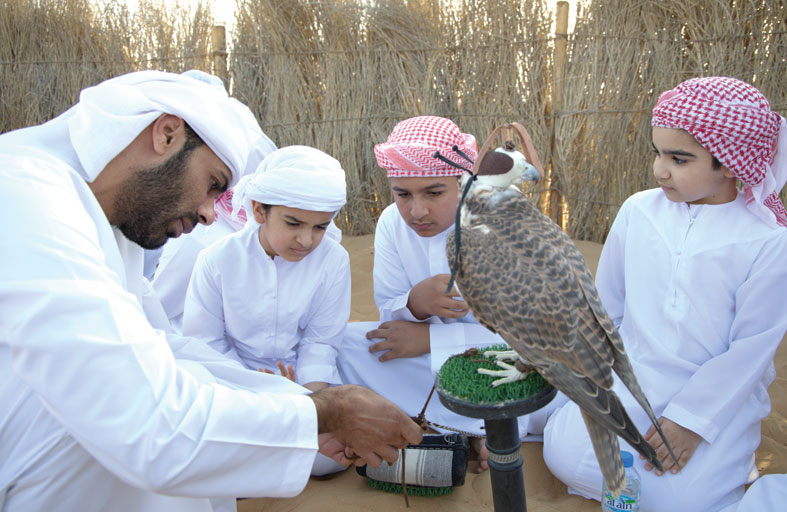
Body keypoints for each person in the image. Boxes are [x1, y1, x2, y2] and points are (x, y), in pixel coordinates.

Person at [0, 70, 422, 511]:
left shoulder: (101, 218)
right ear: (166, 134)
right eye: (214, 184)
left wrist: (304, 401)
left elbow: (167, 346)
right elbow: (147, 429)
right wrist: (322, 412)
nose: (209, 214)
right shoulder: (30, 201)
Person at [542, 77, 787, 512]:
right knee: (565, 456)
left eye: (678, 158)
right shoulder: (638, 211)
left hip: (712, 398)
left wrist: (690, 424)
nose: (660, 169)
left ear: (730, 162)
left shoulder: (768, 243)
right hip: (631, 377)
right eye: (657, 153)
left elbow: (750, 350)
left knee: (681, 499)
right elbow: (606, 309)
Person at [337, 115, 566, 470]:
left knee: (558, 382)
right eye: (403, 194)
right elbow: (391, 324)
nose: (417, 211)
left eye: (434, 192)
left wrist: (432, 339)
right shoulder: (390, 224)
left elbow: (531, 337)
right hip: (423, 361)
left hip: (506, 362)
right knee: (347, 342)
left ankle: (489, 425)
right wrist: (414, 304)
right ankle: (474, 424)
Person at [183, 145, 350, 395]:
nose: (305, 240)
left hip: (305, 381)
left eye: (320, 227)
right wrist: (256, 388)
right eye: (293, 223)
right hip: (229, 381)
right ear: (260, 210)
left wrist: (309, 400)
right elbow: (207, 344)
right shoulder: (216, 260)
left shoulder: (333, 260)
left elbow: (320, 343)